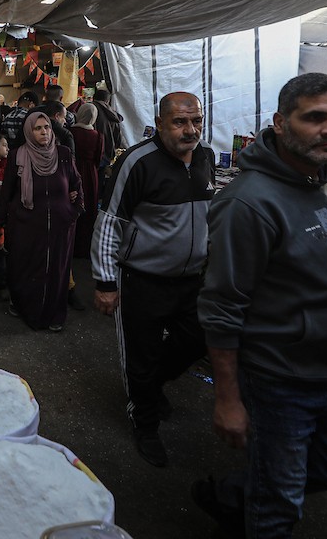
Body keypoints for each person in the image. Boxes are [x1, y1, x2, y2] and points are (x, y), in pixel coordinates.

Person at [195, 73, 327, 538]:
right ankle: (254, 502)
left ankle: (238, 494)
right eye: (315, 117)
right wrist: (228, 399)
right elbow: (221, 307)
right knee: (278, 510)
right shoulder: (248, 205)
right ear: (279, 123)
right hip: (281, 380)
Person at [91, 92, 214, 467]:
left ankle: (150, 387)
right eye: (179, 122)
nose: (190, 130)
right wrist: (106, 282)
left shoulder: (206, 158)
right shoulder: (137, 162)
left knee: (198, 341)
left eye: (196, 121)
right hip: (143, 280)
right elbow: (109, 223)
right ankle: (144, 423)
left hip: (192, 280)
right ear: (159, 123)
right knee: (140, 358)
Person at [0, 111, 82, 332]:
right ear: (28, 131)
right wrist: (2, 219)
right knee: (26, 268)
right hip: (25, 225)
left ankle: (54, 314)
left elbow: (76, 183)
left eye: (47, 127)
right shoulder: (17, 156)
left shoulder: (63, 154)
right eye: (38, 128)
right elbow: (7, 191)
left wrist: (73, 210)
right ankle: (27, 309)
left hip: (60, 226)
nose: (44, 132)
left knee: (57, 269)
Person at [70, 103, 103, 258]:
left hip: (72, 171)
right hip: (90, 174)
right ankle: (87, 245)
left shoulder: (70, 132)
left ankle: (73, 244)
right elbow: (98, 158)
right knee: (89, 206)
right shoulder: (97, 135)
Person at [93, 89, 124, 169]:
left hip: (92, 153)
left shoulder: (90, 109)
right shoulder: (113, 115)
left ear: (93, 98)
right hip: (107, 153)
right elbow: (118, 139)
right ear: (108, 101)